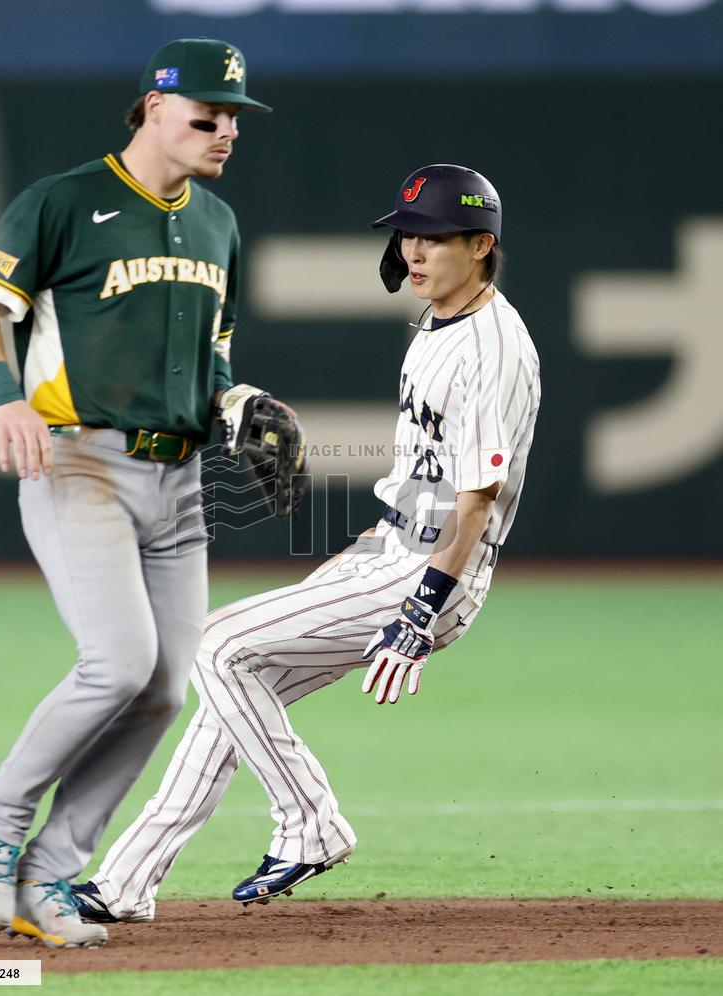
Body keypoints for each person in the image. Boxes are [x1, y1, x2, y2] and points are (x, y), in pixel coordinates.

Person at [71, 162, 541, 923]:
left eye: (434, 237)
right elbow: (423, 473)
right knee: (231, 699)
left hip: (430, 570)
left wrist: (420, 611)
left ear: (482, 244)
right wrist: (360, 555)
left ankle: (312, 823)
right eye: (406, 235)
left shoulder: (492, 349)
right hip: (389, 551)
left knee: (216, 644)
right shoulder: (440, 322)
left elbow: (477, 502)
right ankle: (123, 885)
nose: (413, 252)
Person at [0, 38, 273, 949]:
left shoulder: (217, 223)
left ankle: (50, 873)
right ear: (152, 109)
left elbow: (214, 353)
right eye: (208, 114)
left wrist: (237, 403)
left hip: (180, 480)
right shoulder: (63, 200)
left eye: (235, 117)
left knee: (166, 686)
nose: (225, 130)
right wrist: (2, 396)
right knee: (118, 663)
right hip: (77, 463)